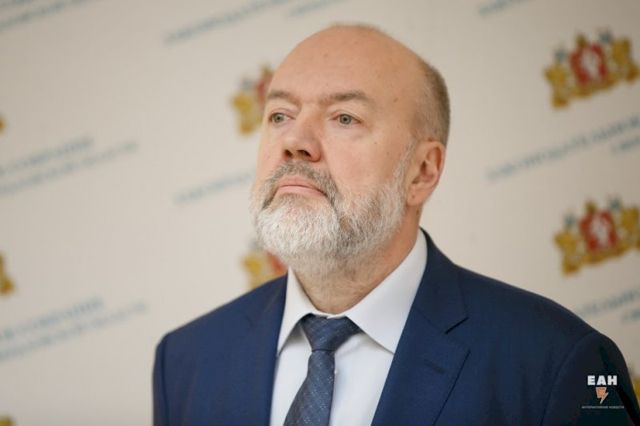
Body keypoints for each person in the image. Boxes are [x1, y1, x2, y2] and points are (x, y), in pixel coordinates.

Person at [153, 24, 640, 425]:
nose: (295, 141)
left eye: (344, 118)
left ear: (422, 171)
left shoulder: (556, 363)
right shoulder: (185, 362)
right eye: (280, 115)